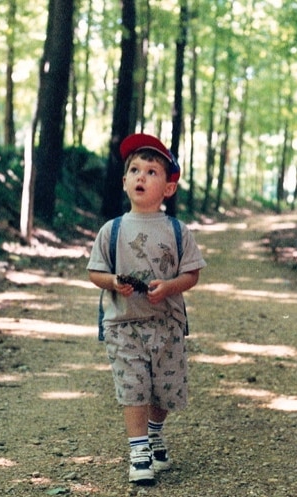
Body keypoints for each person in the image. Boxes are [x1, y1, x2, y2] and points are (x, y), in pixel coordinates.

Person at [87, 133, 207, 484]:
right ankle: (138, 449)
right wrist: (112, 282)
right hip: (123, 323)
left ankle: (155, 430)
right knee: (134, 386)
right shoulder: (112, 230)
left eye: (152, 172)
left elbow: (192, 273)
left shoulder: (177, 230)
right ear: (124, 181)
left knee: (165, 391)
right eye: (134, 170)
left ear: (168, 188)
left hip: (166, 323)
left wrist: (169, 287)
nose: (141, 176)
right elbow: (95, 271)